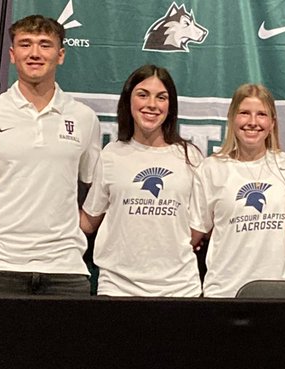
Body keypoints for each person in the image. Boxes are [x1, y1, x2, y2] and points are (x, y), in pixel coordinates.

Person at [0, 14, 101, 295]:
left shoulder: (84, 118)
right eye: (25, 44)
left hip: (65, 268)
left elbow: (98, 187)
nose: (35, 54)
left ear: (61, 55)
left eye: (45, 45)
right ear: (12, 55)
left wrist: (83, 223)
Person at [80, 65, 201, 296]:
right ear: (128, 100)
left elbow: (198, 225)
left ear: (170, 105)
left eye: (161, 97)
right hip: (118, 288)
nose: (152, 105)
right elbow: (89, 220)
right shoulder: (111, 154)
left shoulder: (190, 157)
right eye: (143, 94)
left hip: (179, 288)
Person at [189, 84, 285, 297]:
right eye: (244, 113)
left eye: (261, 115)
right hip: (226, 291)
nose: (253, 122)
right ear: (232, 118)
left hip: (283, 290)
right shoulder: (210, 169)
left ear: (272, 123)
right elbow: (196, 231)